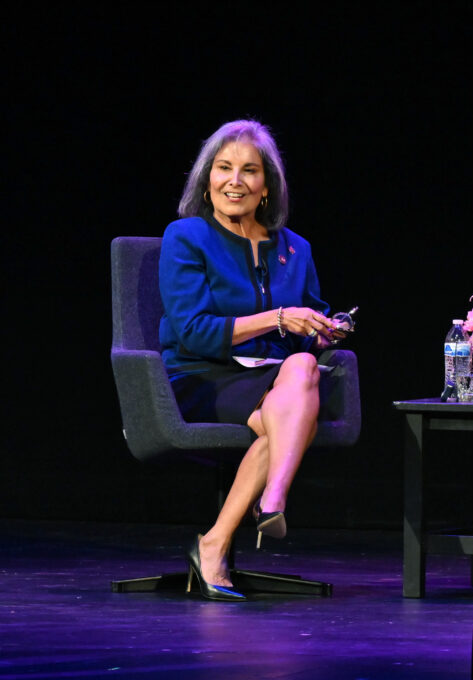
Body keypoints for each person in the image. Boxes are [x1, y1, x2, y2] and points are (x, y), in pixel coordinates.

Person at [160, 119, 349, 601]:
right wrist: (280, 318)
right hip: (203, 374)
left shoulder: (295, 248)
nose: (235, 181)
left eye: (249, 171)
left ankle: (231, 530)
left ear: (268, 187)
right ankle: (267, 506)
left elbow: (305, 338)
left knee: (303, 370)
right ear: (207, 179)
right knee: (289, 415)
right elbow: (196, 332)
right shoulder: (186, 237)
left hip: (276, 379)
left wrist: (325, 332)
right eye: (224, 168)